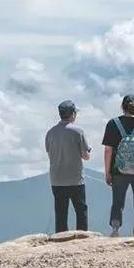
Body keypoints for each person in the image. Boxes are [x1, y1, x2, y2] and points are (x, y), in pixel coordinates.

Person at [102, 93, 134, 237]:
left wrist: (107, 172)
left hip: (119, 170)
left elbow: (108, 150)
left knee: (117, 201)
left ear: (122, 107)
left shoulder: (113, 124)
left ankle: (115, 229)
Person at [45, 99, 91, 233]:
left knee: (60, 212)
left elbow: (49, 153)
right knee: (81, 210)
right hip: (76, 179)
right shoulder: (78, 132)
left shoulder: (50, 133)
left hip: (57, 179)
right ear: (72, 114)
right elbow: (85, 156)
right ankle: (82, 237)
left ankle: (60, 238)